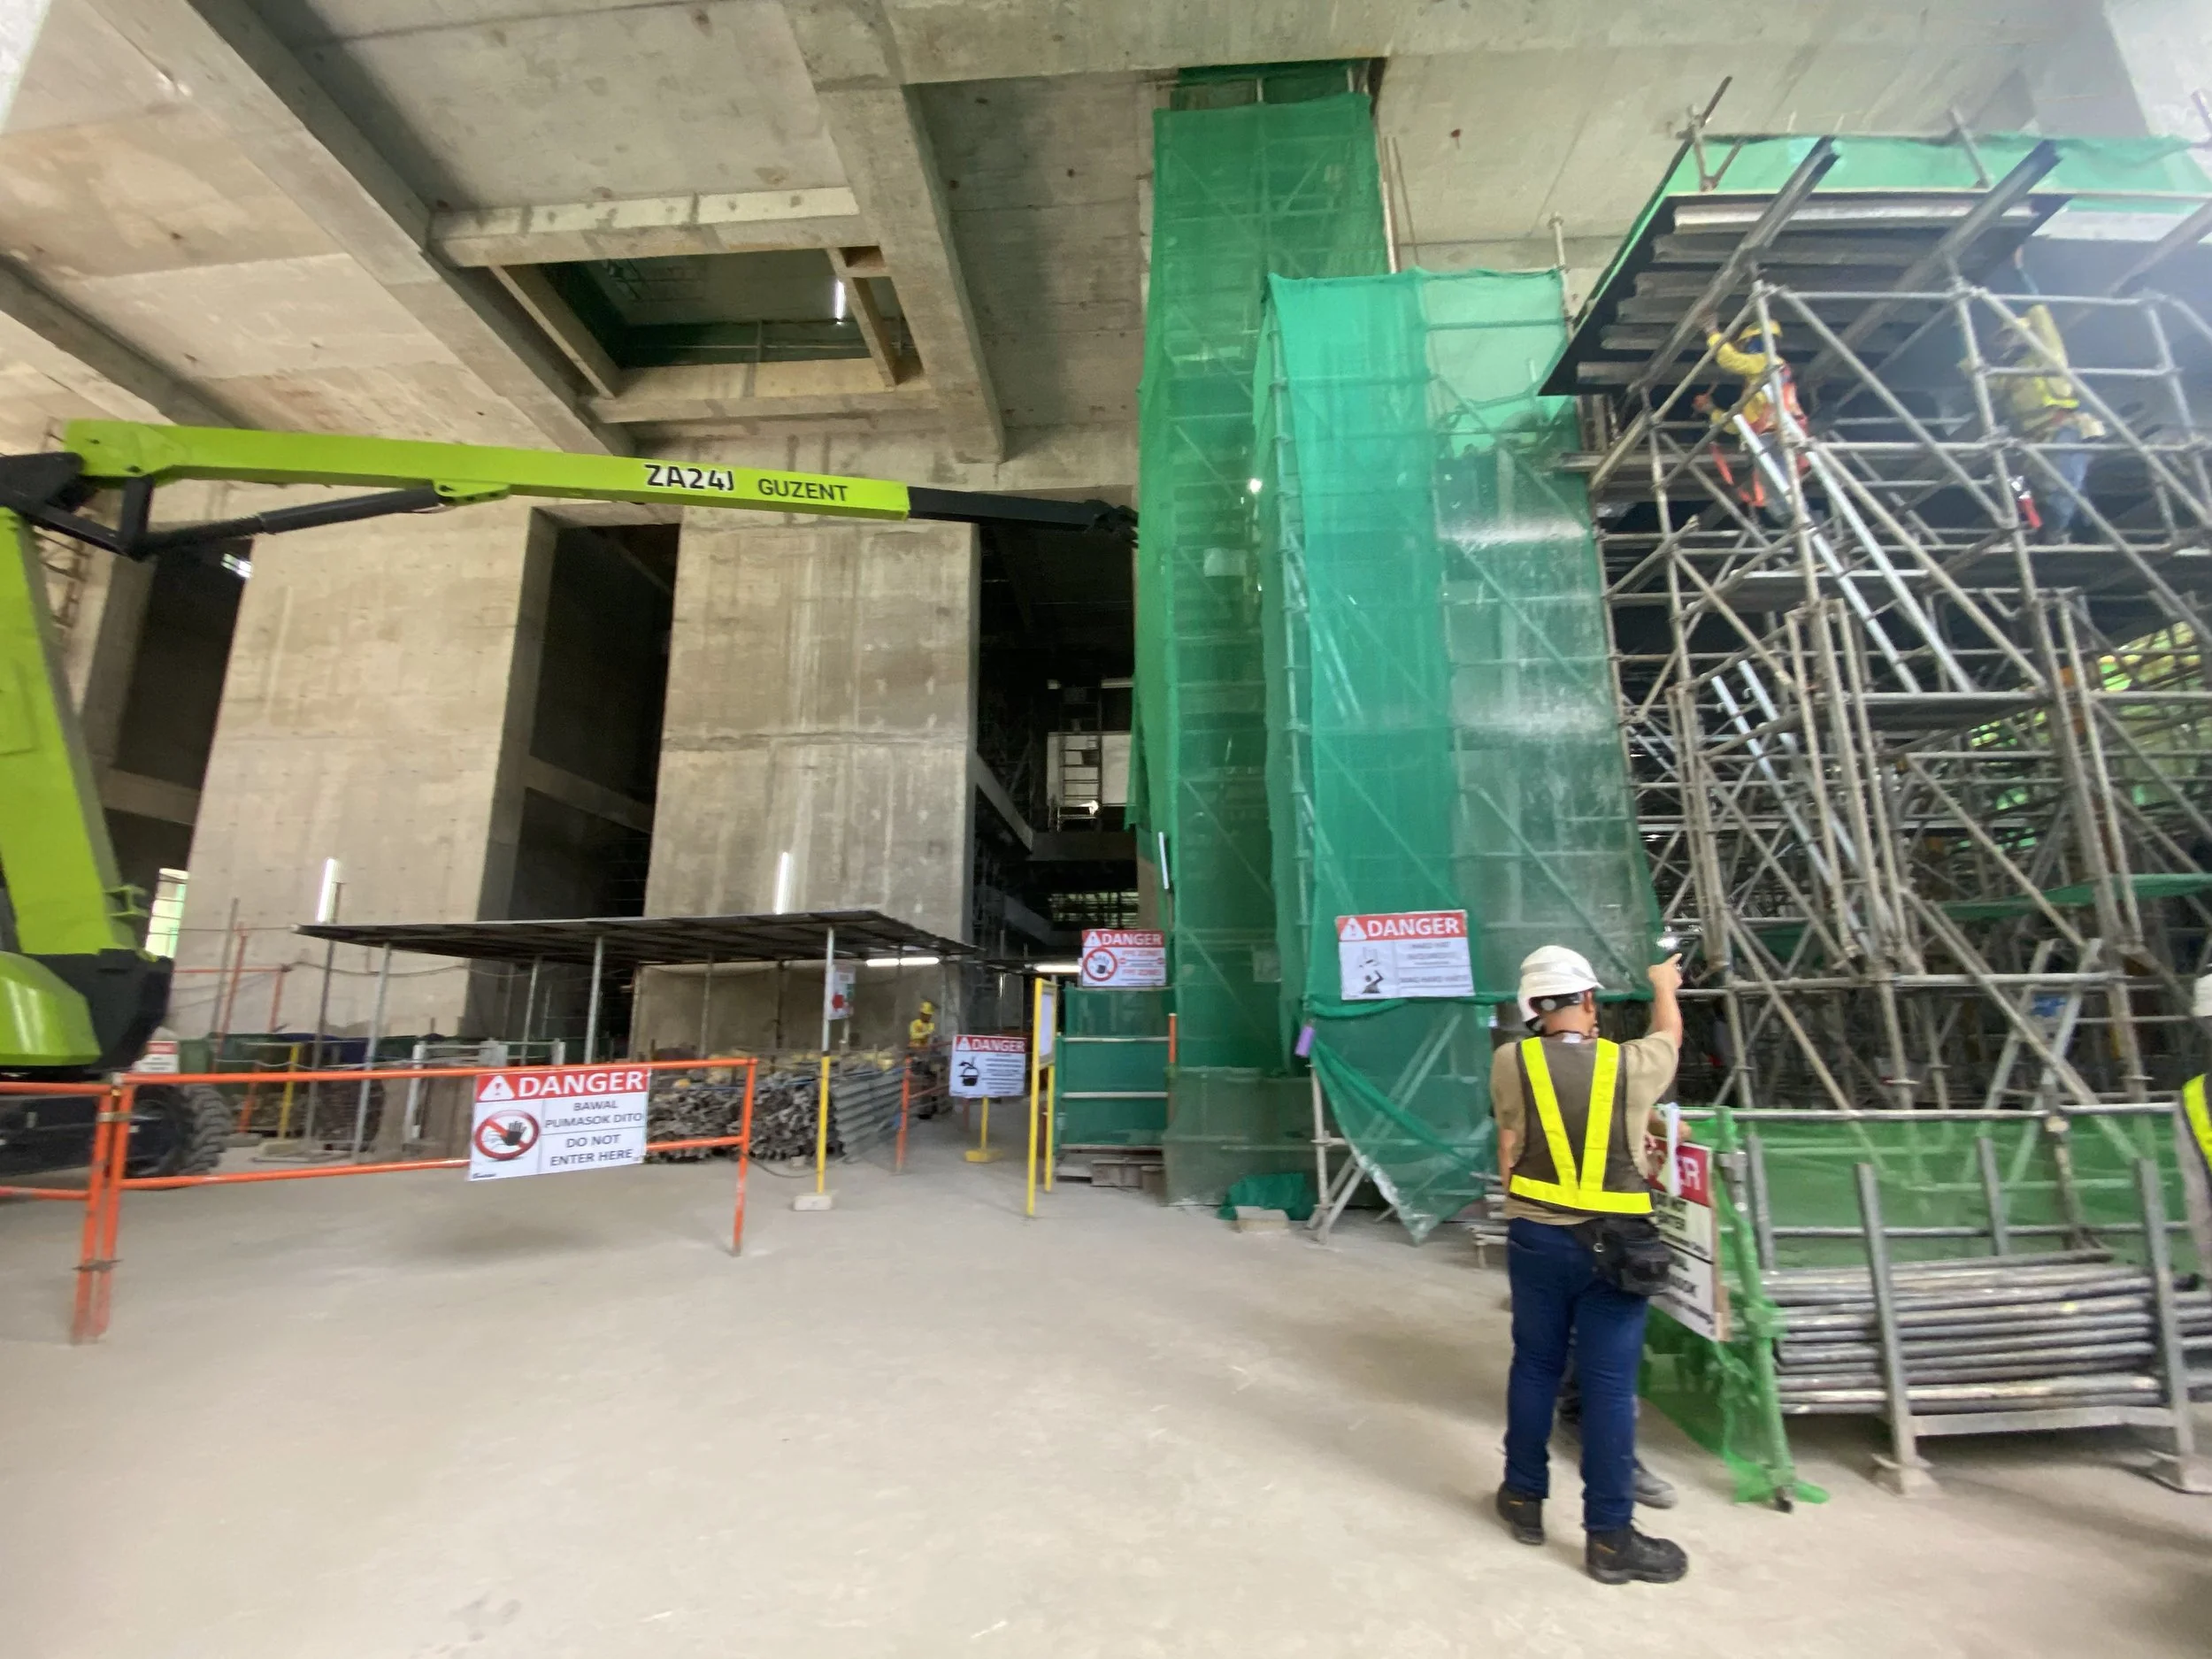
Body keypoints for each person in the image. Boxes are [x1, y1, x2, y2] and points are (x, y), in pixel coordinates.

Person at [1491, 944, 1688, 1585]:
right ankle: (1609, 1537)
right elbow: (1670, 1035)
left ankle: (1522, 1499)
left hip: (1536, 1235)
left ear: (1532, 1008)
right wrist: (1663, 982)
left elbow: (1513, 1139)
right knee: (1605, 1386)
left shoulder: (1509, 1061)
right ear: (1589, 1001)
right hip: (1615, 1246)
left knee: (1536, 1365)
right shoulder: (1628, 1065)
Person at [1993, 271, 2104, 544]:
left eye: (2013, 334)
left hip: (2064, 429)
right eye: (2006, 337)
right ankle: (2071, 528)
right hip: (2034, 443)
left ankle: (2053, 532)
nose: (2010, 341)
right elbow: (1970, 369)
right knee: (2019, 485)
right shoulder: (2006, 375)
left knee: (2064, 485)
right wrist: (1957, 332)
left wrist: (2019, 273)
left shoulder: (2049, 353)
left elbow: (2039, 311)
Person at [1694, 315, 1807, 519]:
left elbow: (1730, 360)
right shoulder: (1756, 384)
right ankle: (1791, 518)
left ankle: (1795, 517)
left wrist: (1712, 331)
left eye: (1745, 344)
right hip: (1771, 433)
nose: (1744, 349)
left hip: (1775, 433)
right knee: (1774, 480)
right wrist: (1711, 410)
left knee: (1778, 479)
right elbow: (1739, 426)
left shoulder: (1768, 362)